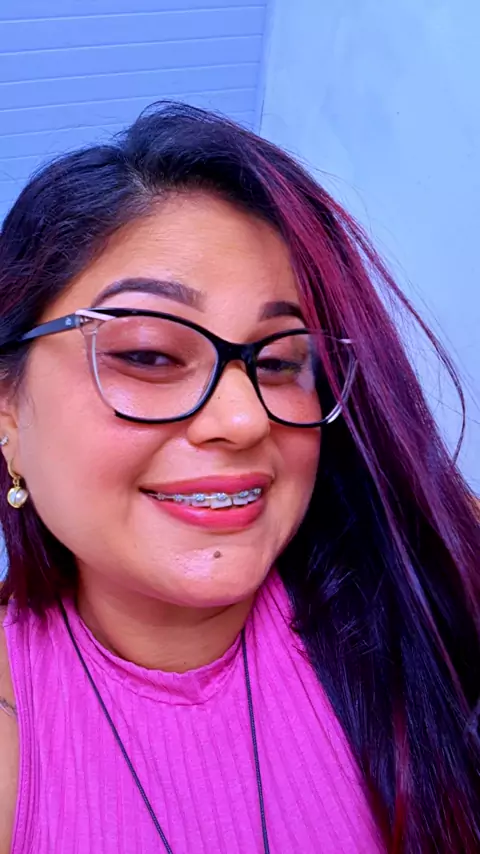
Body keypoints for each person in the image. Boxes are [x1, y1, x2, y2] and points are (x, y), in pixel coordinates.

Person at [0, 102, 478, 854]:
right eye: (150, 355)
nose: (244, 418)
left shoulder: (438, 590)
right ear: (7, 412)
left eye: (281, 361)